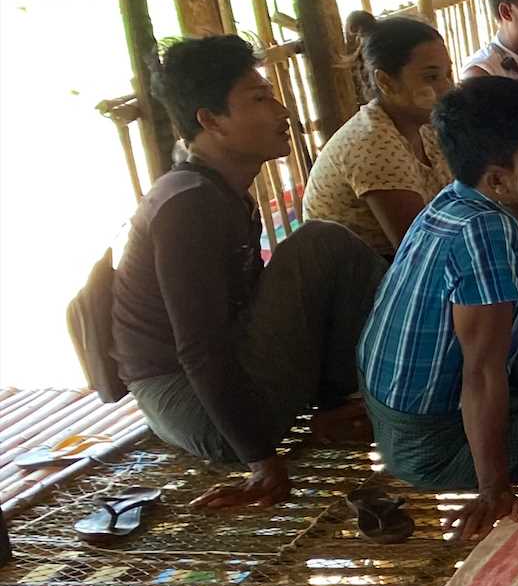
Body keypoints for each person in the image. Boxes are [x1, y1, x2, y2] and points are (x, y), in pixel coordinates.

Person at [112, 35, 384, 507]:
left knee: (325, 249)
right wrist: (260, 458)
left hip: (224, 385)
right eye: (259, 98)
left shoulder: (220, 190)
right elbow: (198, 347)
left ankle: (339, 403)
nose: (281, 111)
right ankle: (405, 390)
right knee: (321, 243)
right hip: (197, 410)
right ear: (211, 119)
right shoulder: (188, 207)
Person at [357, 75, 518, 538]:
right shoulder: (484, 235)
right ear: (498, 177)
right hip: (434, 440)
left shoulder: (456, 201)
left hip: (401, 413)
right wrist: (492, 487)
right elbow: (481, 373)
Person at [304, 13, 452, 259]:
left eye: (447, 74)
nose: (447, 86)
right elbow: (421, 253)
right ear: (386, 82)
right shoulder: (374, 145)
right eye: (431, 77)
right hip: (359, 284)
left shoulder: (425, 125)